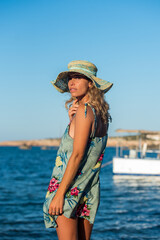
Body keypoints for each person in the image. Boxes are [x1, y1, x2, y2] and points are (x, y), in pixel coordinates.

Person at [43, 60, 113, 240]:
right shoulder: (101, 115)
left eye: (78, 78)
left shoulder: (84, 111)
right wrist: (71, 121)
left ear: (91, 83)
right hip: (88, 189)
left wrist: (59, 195)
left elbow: (77, 155)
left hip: (70, 190)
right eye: (70, 78)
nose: (71, 83)